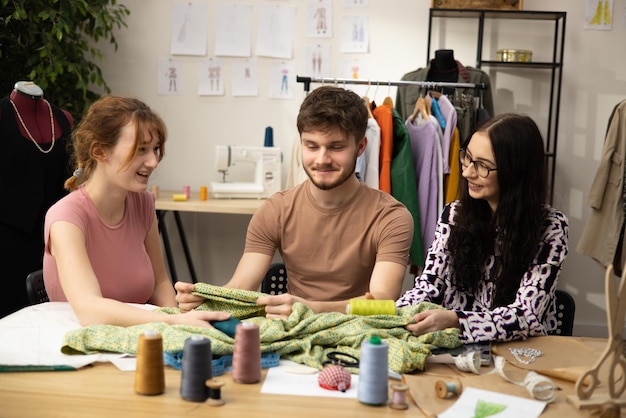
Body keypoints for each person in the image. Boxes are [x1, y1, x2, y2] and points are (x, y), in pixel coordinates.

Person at [176, 86, 414, 319]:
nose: (322, 159)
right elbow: (241, 286)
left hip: (359, 333)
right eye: (312, 146)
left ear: (360, 147)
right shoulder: (276, 210)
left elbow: (383, 303)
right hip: (293, 333)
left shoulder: (391, 217)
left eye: (336, 147)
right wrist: (207, 298)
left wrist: (311, 308)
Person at [42, 95, 230, 327]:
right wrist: (175, 323)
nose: (153, 161)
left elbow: (160, 283)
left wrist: (180, 320)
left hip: (138, 339)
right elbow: (90, 310)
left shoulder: (143, 203)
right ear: (100, 152)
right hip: (77, 346)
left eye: (156, 149)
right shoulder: (66, 218)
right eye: (141, 150)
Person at [396, 113, 569, 343]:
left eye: (482, 166)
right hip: (454, 349)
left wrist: (456, 320)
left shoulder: (551, 228)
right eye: (466, 158)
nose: (467, 172)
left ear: (515, 172)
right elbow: (430, 283)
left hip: (518, 354)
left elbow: (527, 315)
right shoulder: (454, 214)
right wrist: (398, 312)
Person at [0, 81, 73, 318]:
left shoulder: (63, 118)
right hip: (8, 239)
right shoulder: (3, 115)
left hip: (56, 239)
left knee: (56, 314)